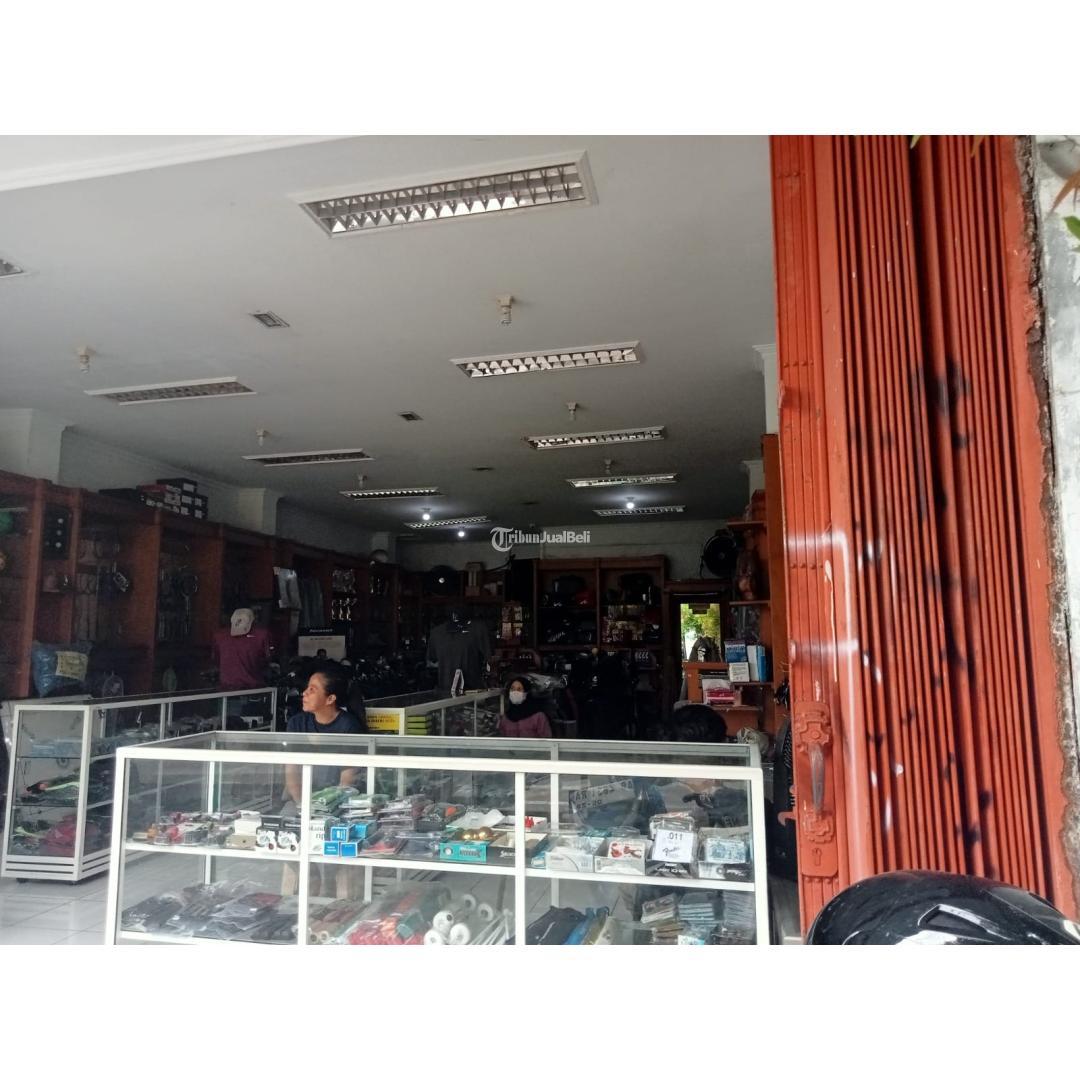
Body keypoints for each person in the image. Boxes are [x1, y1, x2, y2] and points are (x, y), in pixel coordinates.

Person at [280, 664, 366, 900]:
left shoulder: (348, 726)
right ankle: (310, 875)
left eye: (312, 689)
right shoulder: (297, 723)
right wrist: (302, 805)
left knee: (333, 830)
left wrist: (322, 809)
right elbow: (292, 771)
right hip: (301, 800)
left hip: (337, 803)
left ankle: (331, 884)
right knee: (284, 824)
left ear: (330, 699)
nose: (305, 693)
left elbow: (347, 781)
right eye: (306, 688)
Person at [212, 607, 272, 691]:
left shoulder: (219, 636)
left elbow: (216, 660)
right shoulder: (261, 635)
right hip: (254, 687)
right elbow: (267, 659)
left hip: (226, 688)